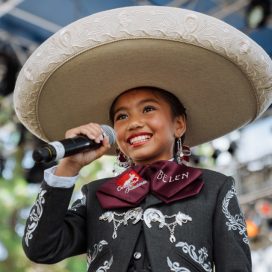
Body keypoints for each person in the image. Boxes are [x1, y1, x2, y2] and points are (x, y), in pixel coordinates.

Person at [13, 6, 272, 272]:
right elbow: (41, 247)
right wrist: (69, 166)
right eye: (121, 116)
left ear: (179, 124)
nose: (134, 122)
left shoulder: (214, 188)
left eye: (148, 109)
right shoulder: (96, 195)